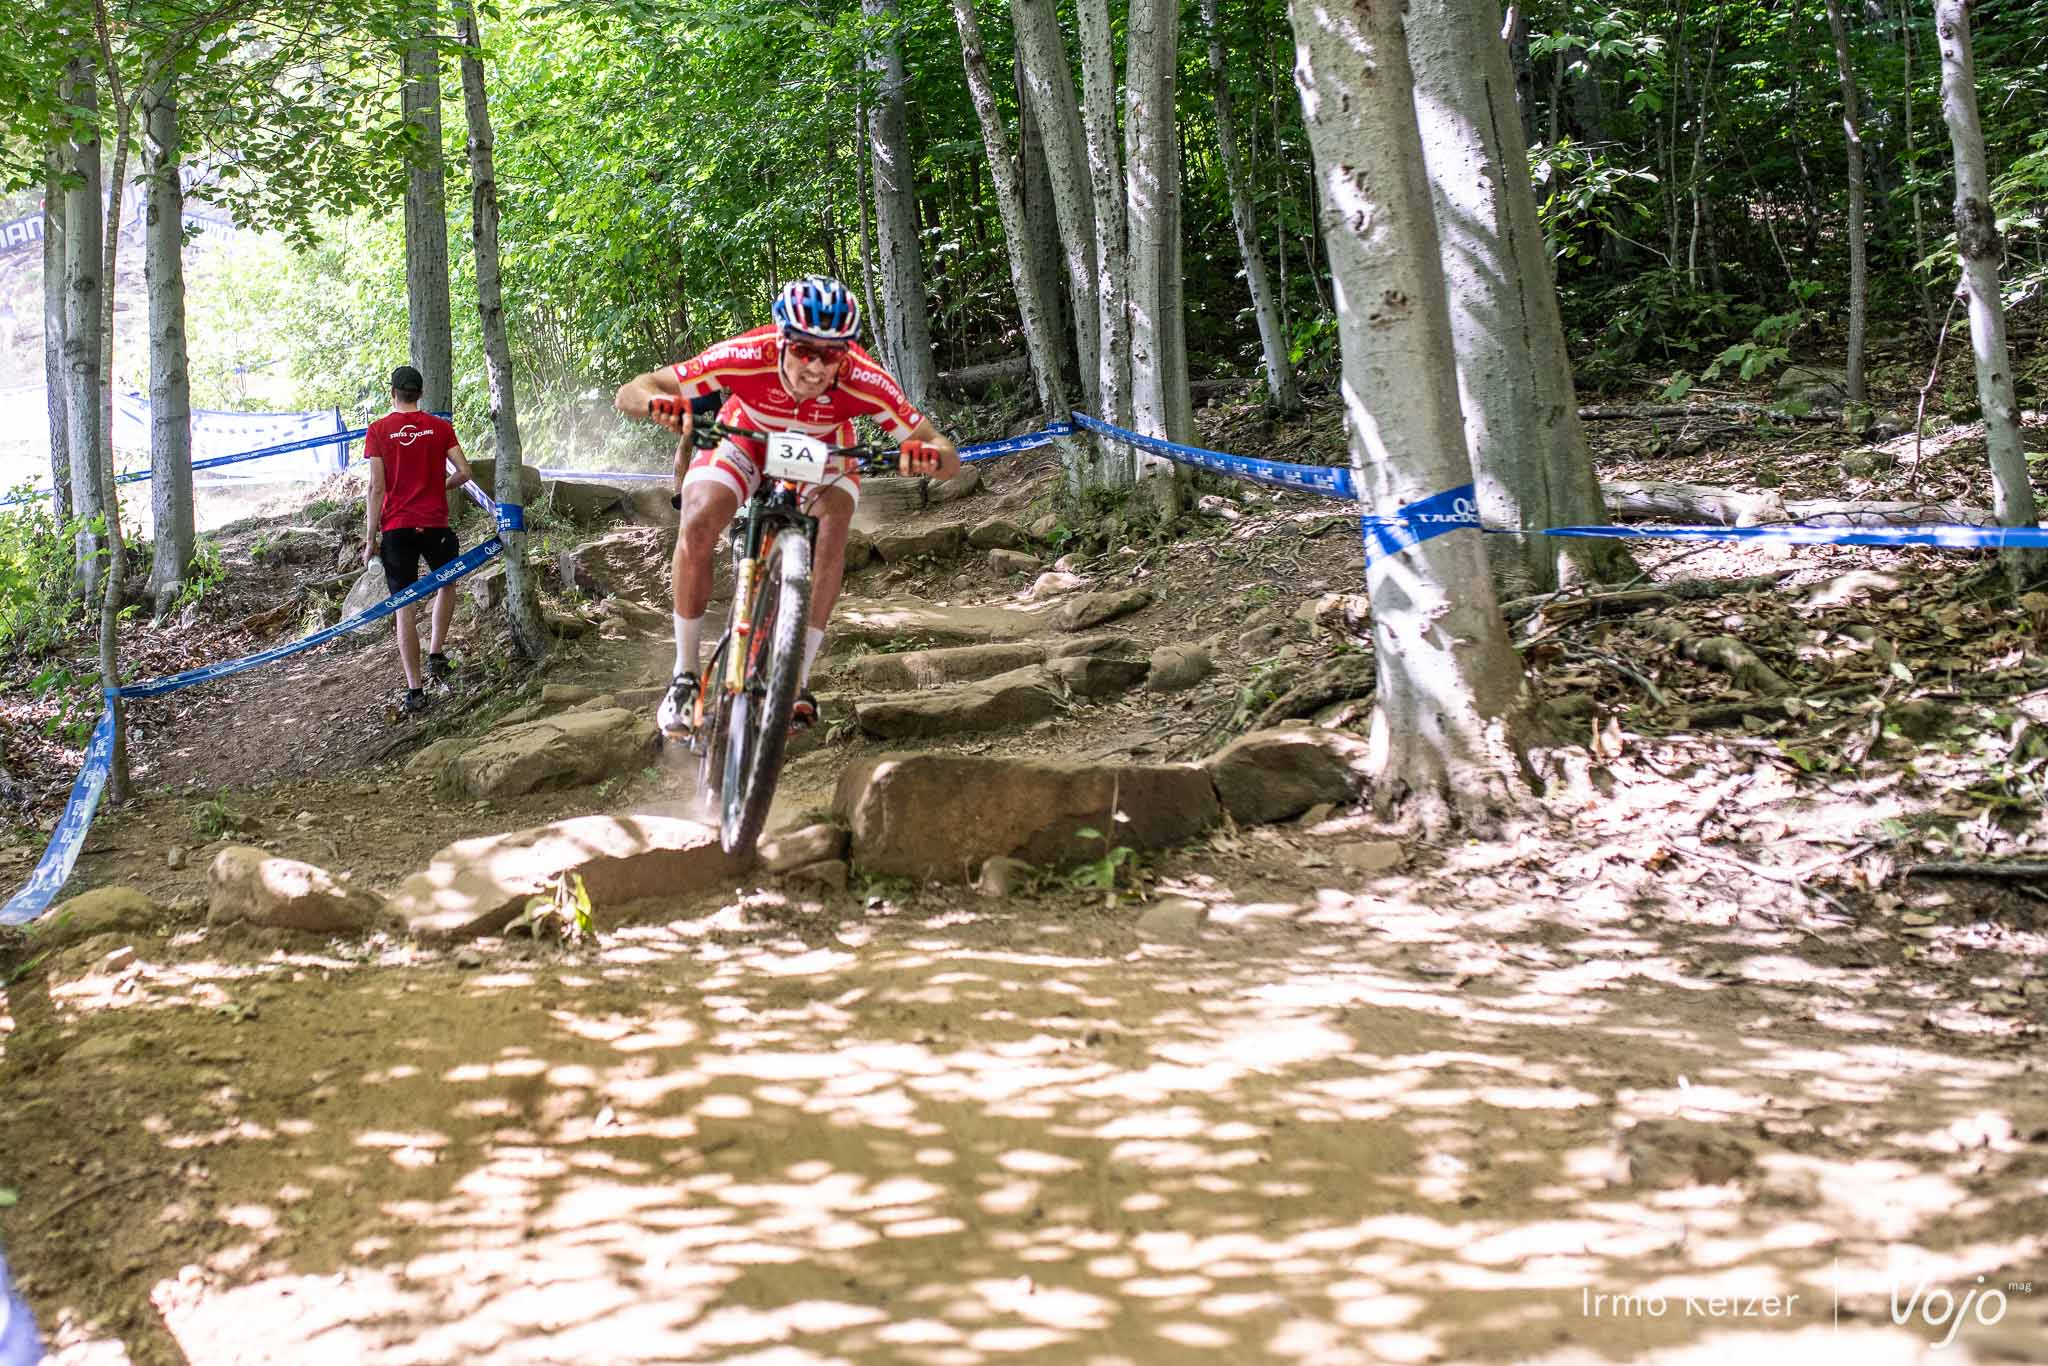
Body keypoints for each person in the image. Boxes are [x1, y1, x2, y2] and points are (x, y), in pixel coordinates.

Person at [614, 275, 959, 740]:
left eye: (831, 354)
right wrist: (659, 403)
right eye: (803, 350)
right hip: (745, 435)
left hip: (825, 448)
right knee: (698, 518)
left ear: (846, 353)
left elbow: (945, 454)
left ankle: (797, 679)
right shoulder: (745, 354)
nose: (816, 366)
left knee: (834, 526)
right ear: (781, 340)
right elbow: (633, 390)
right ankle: (684, 676)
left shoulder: (863, 377)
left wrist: (925, 457)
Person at [361, 364, 474, 716]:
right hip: (435, 524)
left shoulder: (378, 430)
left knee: (404, 606)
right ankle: (436, 653)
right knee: (447, 584)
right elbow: (465, 472)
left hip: (397, 528)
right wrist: (440, 486)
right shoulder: (440, 427)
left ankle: (415, 690)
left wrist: (370, 540)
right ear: (421, 394)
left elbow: (376, 487)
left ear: (392, 393)